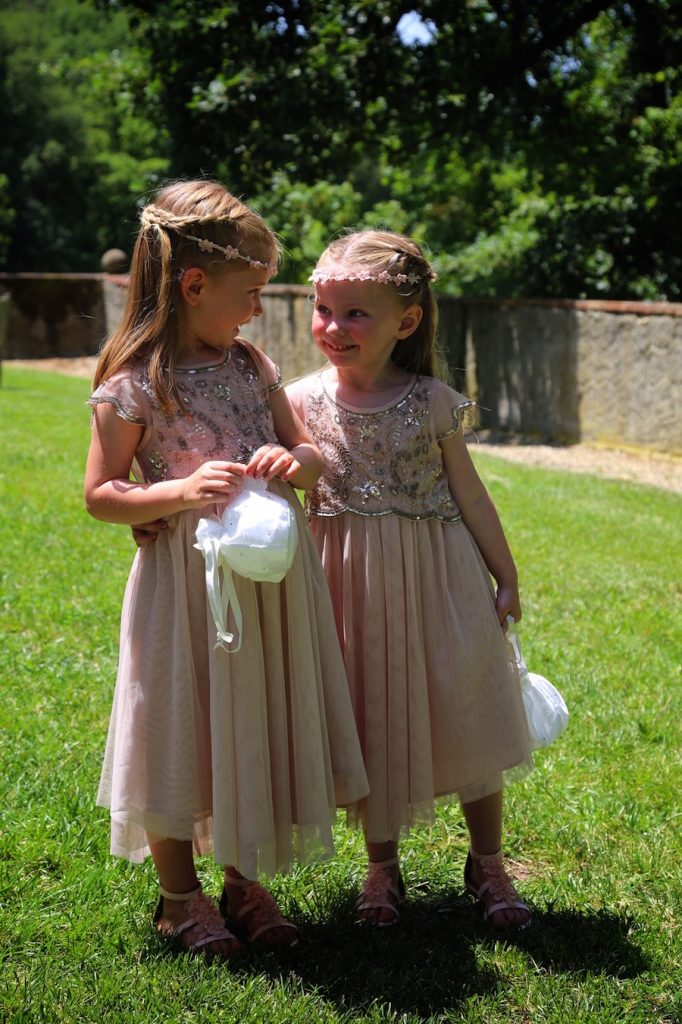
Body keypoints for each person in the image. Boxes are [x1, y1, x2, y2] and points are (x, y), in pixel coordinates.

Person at [84, 180, 368, 960]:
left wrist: (294, 459)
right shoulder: (135, 383)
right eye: (250, 292)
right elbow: (102, 495)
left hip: (269, 584)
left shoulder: (251, 364)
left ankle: (244, 880)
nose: (257, 309)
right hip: (186, 590)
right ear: (194, 285)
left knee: (252, 721)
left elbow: (311, 457)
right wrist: (177, 490)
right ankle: (180, 898)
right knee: (180, 726)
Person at [286, 230, 534, 930]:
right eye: (323, 309)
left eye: (355, 313)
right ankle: (381, 867)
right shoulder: (298, 402)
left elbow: (472, 494)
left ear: (408, 320)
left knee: (465, 703)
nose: (334, 328)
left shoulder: (434, 402)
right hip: (345, 586)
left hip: (439, 580)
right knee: (372, 713)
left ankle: (487, 861)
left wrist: (505, 576)